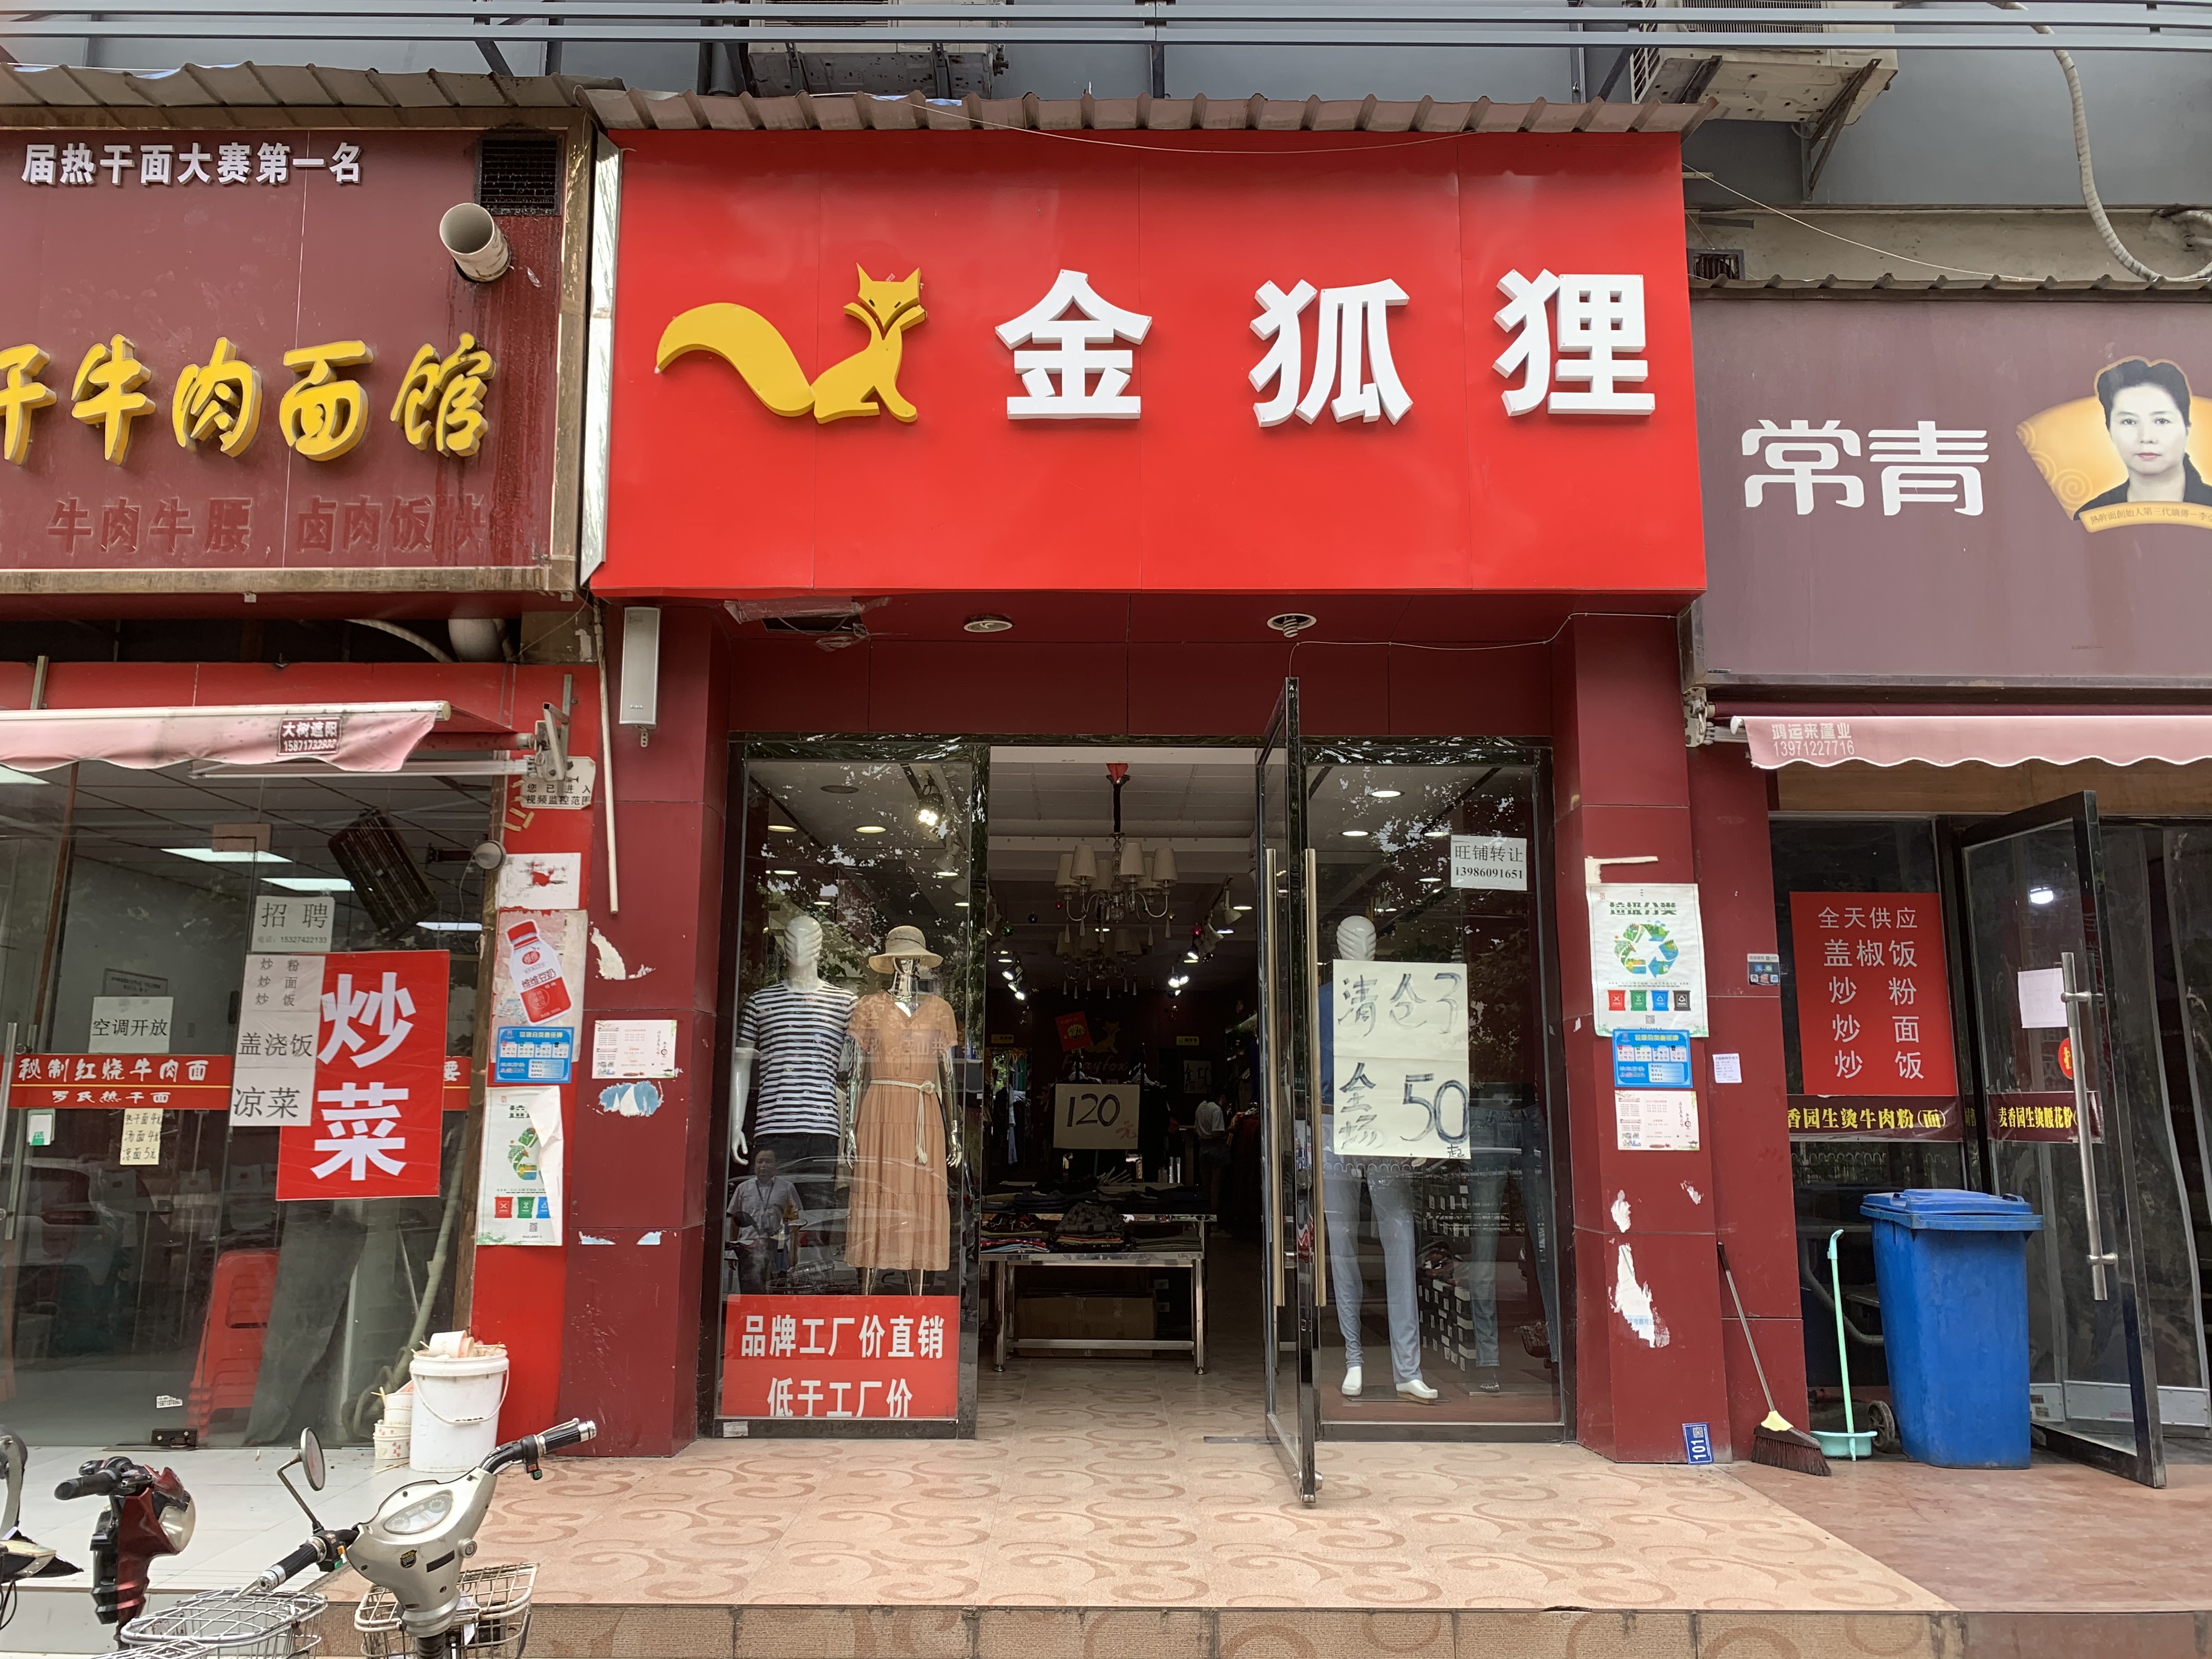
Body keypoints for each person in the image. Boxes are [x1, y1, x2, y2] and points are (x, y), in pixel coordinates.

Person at [2076, 357, 2212, 516]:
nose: (2146, 437)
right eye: (2129, 422)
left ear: (2187, 428)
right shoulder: (2090, 516)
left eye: (2162, 421)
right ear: (2110, 430)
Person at [727, 1147, 802, 1294]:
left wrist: (794, 1253)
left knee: (775, 1293)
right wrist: (731, 1252)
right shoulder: (743, 1189)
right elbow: (735, 1221)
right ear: (754, 1165)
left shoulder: (786, 1188)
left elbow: (793, 1222)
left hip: (776, 1249)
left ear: (776, 1165)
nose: (764, 1166)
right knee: (750, 1293)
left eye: (768, 1162)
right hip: (748, 1248)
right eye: (760, 1162)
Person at [1194, 1092, 1231, 1215]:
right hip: (1216, 1148)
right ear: (1222, 1097)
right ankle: (1215, 1215)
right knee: (1216, 1185)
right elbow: (1216, 1133)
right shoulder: (1216, 1110)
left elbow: (1196, 1130)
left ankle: (1206, 1213)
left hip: (1203, 1147)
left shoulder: (1200, 1107)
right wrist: (1229, 1130)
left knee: (1206, 1184)